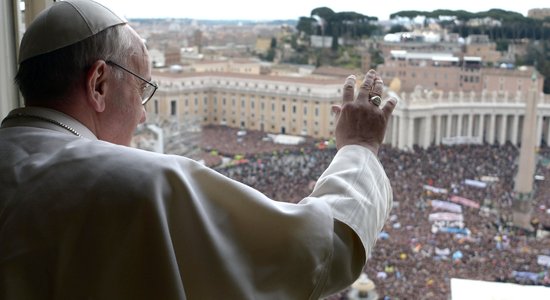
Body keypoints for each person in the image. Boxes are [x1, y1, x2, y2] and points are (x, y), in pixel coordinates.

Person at [0, 0, 396, 299]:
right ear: (99, 83)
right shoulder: (144, 184)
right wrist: (360, 147)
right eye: (142, 90)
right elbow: (322, 249)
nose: (141, 115)